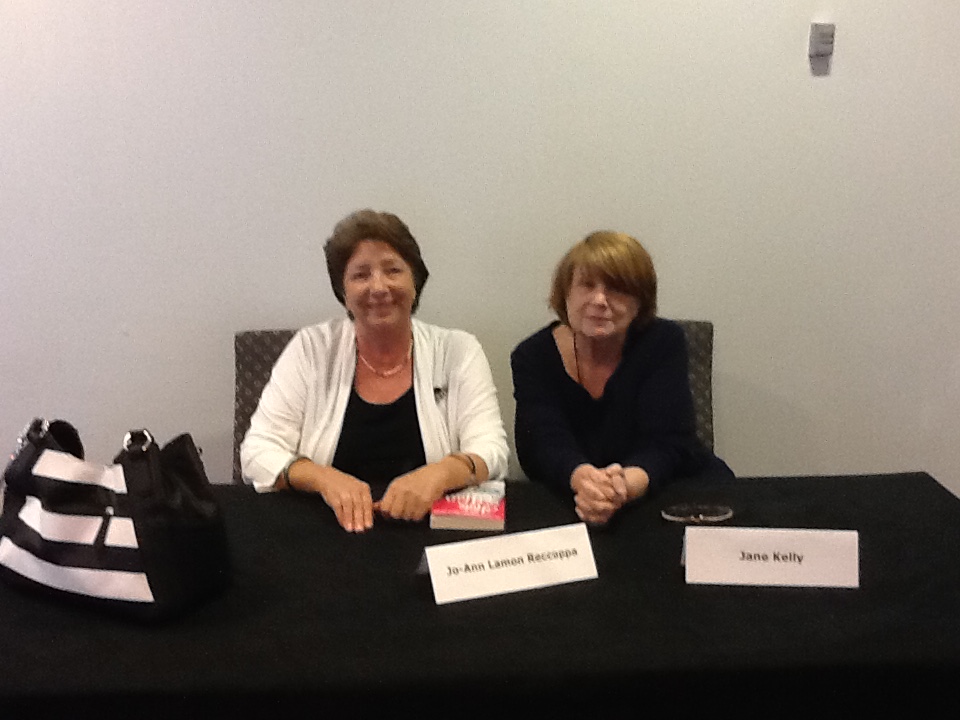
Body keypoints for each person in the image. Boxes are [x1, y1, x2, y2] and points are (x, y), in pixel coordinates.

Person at [241, 210, 508, 533]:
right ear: (343, 291)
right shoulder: (311, 348)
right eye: (361, 275)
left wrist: (441, 473)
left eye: (393, 270)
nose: (378, 287)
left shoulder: (458, 350)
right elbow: (257, 451)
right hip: (329, 530)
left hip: (428, 532)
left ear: (415, 281)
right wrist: (323, 478)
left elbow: (492, 451)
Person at [511, 231, 732, 525]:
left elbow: (670, 442)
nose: (599, 300)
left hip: (668, 490)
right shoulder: (532, 355)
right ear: (565, 293)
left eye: (617, 289)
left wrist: (623, 487)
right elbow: (540, 444)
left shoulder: (664, 341)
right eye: (587, 285)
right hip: (574, 496)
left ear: (640, 301)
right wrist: (584, 481)